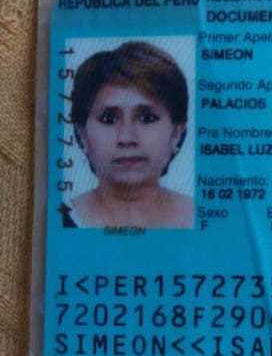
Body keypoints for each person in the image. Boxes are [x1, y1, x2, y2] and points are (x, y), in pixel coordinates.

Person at [61, 41, 194, 230]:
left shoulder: (205, 218)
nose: (126, 138)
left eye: (147, 118)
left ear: (176, 134)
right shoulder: (58, 221)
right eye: (108, 119)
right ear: (82, 135)